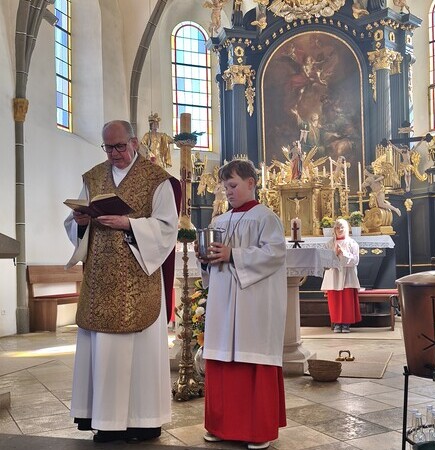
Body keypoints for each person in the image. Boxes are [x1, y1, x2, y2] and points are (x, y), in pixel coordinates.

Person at [64, 120, 181, 443]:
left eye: (119, 146)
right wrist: (81, 220)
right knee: (101, 353)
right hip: (99, 280)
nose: (113, 154)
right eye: (108, 147)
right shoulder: (93, 177)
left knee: (138, 356)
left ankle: (143, 422)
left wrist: (129, 224)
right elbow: (73, 224)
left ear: (134, 143)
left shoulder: (157, 180)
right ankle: (104, 421)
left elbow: (167, 228)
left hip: (138, 280)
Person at [195, 159, 287, 450]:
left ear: (251, 183)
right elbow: (211, 266)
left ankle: (257, 431)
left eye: (233, 185)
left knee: (252, 358)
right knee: (221, 359)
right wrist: (205, 260)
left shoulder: (266, 218)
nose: (229, 192)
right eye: (225, 187)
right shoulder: (219, 221)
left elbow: (275, 254)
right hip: (223, 304)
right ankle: (220, 427)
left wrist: (233, 254)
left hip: (253, 305)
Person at [321, 218, 361, 333]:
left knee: (347, 299)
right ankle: (337, 323)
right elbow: (324, 261)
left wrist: (345, 254)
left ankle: (346, 324)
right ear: (334, 229)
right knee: (335, 300)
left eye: (342, 227)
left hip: (348, 274)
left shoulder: (352, 243)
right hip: (333, 275)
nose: (340, 230)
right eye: (337, 228)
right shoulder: (329, 244)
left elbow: (356, 261)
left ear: (346, 228)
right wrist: (335, 253)